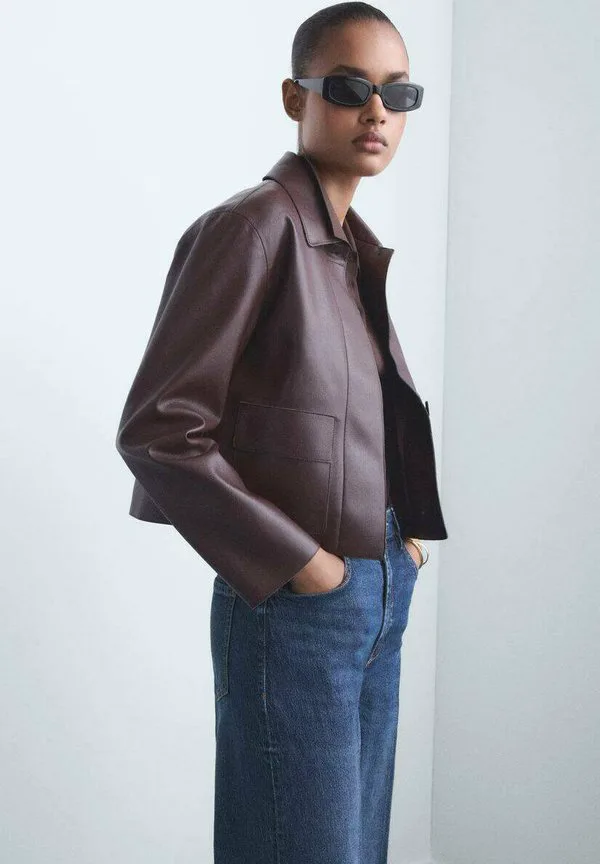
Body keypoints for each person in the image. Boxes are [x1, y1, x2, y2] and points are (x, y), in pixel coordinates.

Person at [115, 2, 448, 861]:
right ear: (294, 97)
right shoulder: (252, 228)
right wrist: (306, 566)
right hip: (301, 608)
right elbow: (160, 430)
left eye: (398, 93)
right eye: (349, 88)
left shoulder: (349, 245)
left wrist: (404, 541)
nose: (377, 112)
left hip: (377, 591)